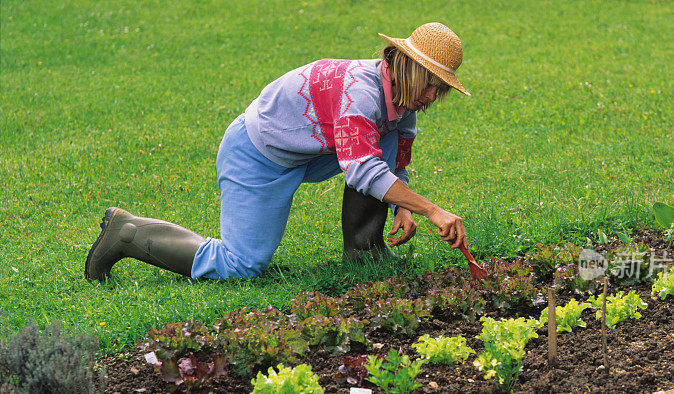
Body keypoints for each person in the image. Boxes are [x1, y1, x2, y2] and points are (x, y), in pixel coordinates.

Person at [85, 22, 471, 281]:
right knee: (242, 264)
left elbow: (391, 161)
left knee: (374, 156)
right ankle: (128, 232)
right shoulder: (362, 93)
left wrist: (401, 204)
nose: (432, 97)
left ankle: (365, 255)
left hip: (309, 151)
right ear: (405, 67)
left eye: (441, 89)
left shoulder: (403, 101)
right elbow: (364, 169)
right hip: (257, 154)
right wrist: (432, 210)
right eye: (429, 85)